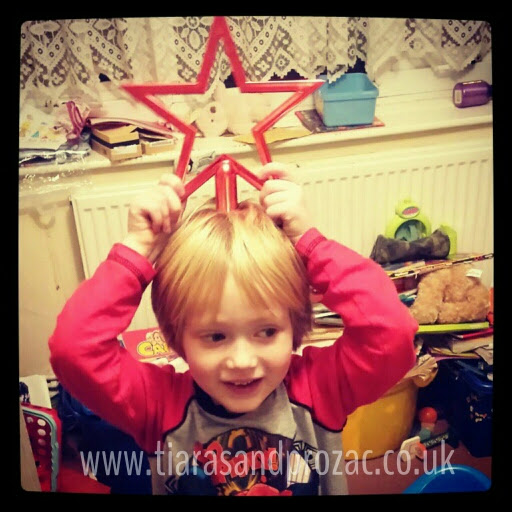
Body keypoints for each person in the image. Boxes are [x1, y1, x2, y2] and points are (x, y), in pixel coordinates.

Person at [49, 163, 418, 496]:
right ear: (178, 337)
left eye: (267, 332)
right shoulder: (158, 406)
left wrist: (311, 243)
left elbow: (392, 330)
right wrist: (137, 250)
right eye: (216, 336)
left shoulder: (320, 389)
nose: (242, 361)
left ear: (294, 326)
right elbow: (73, 349)